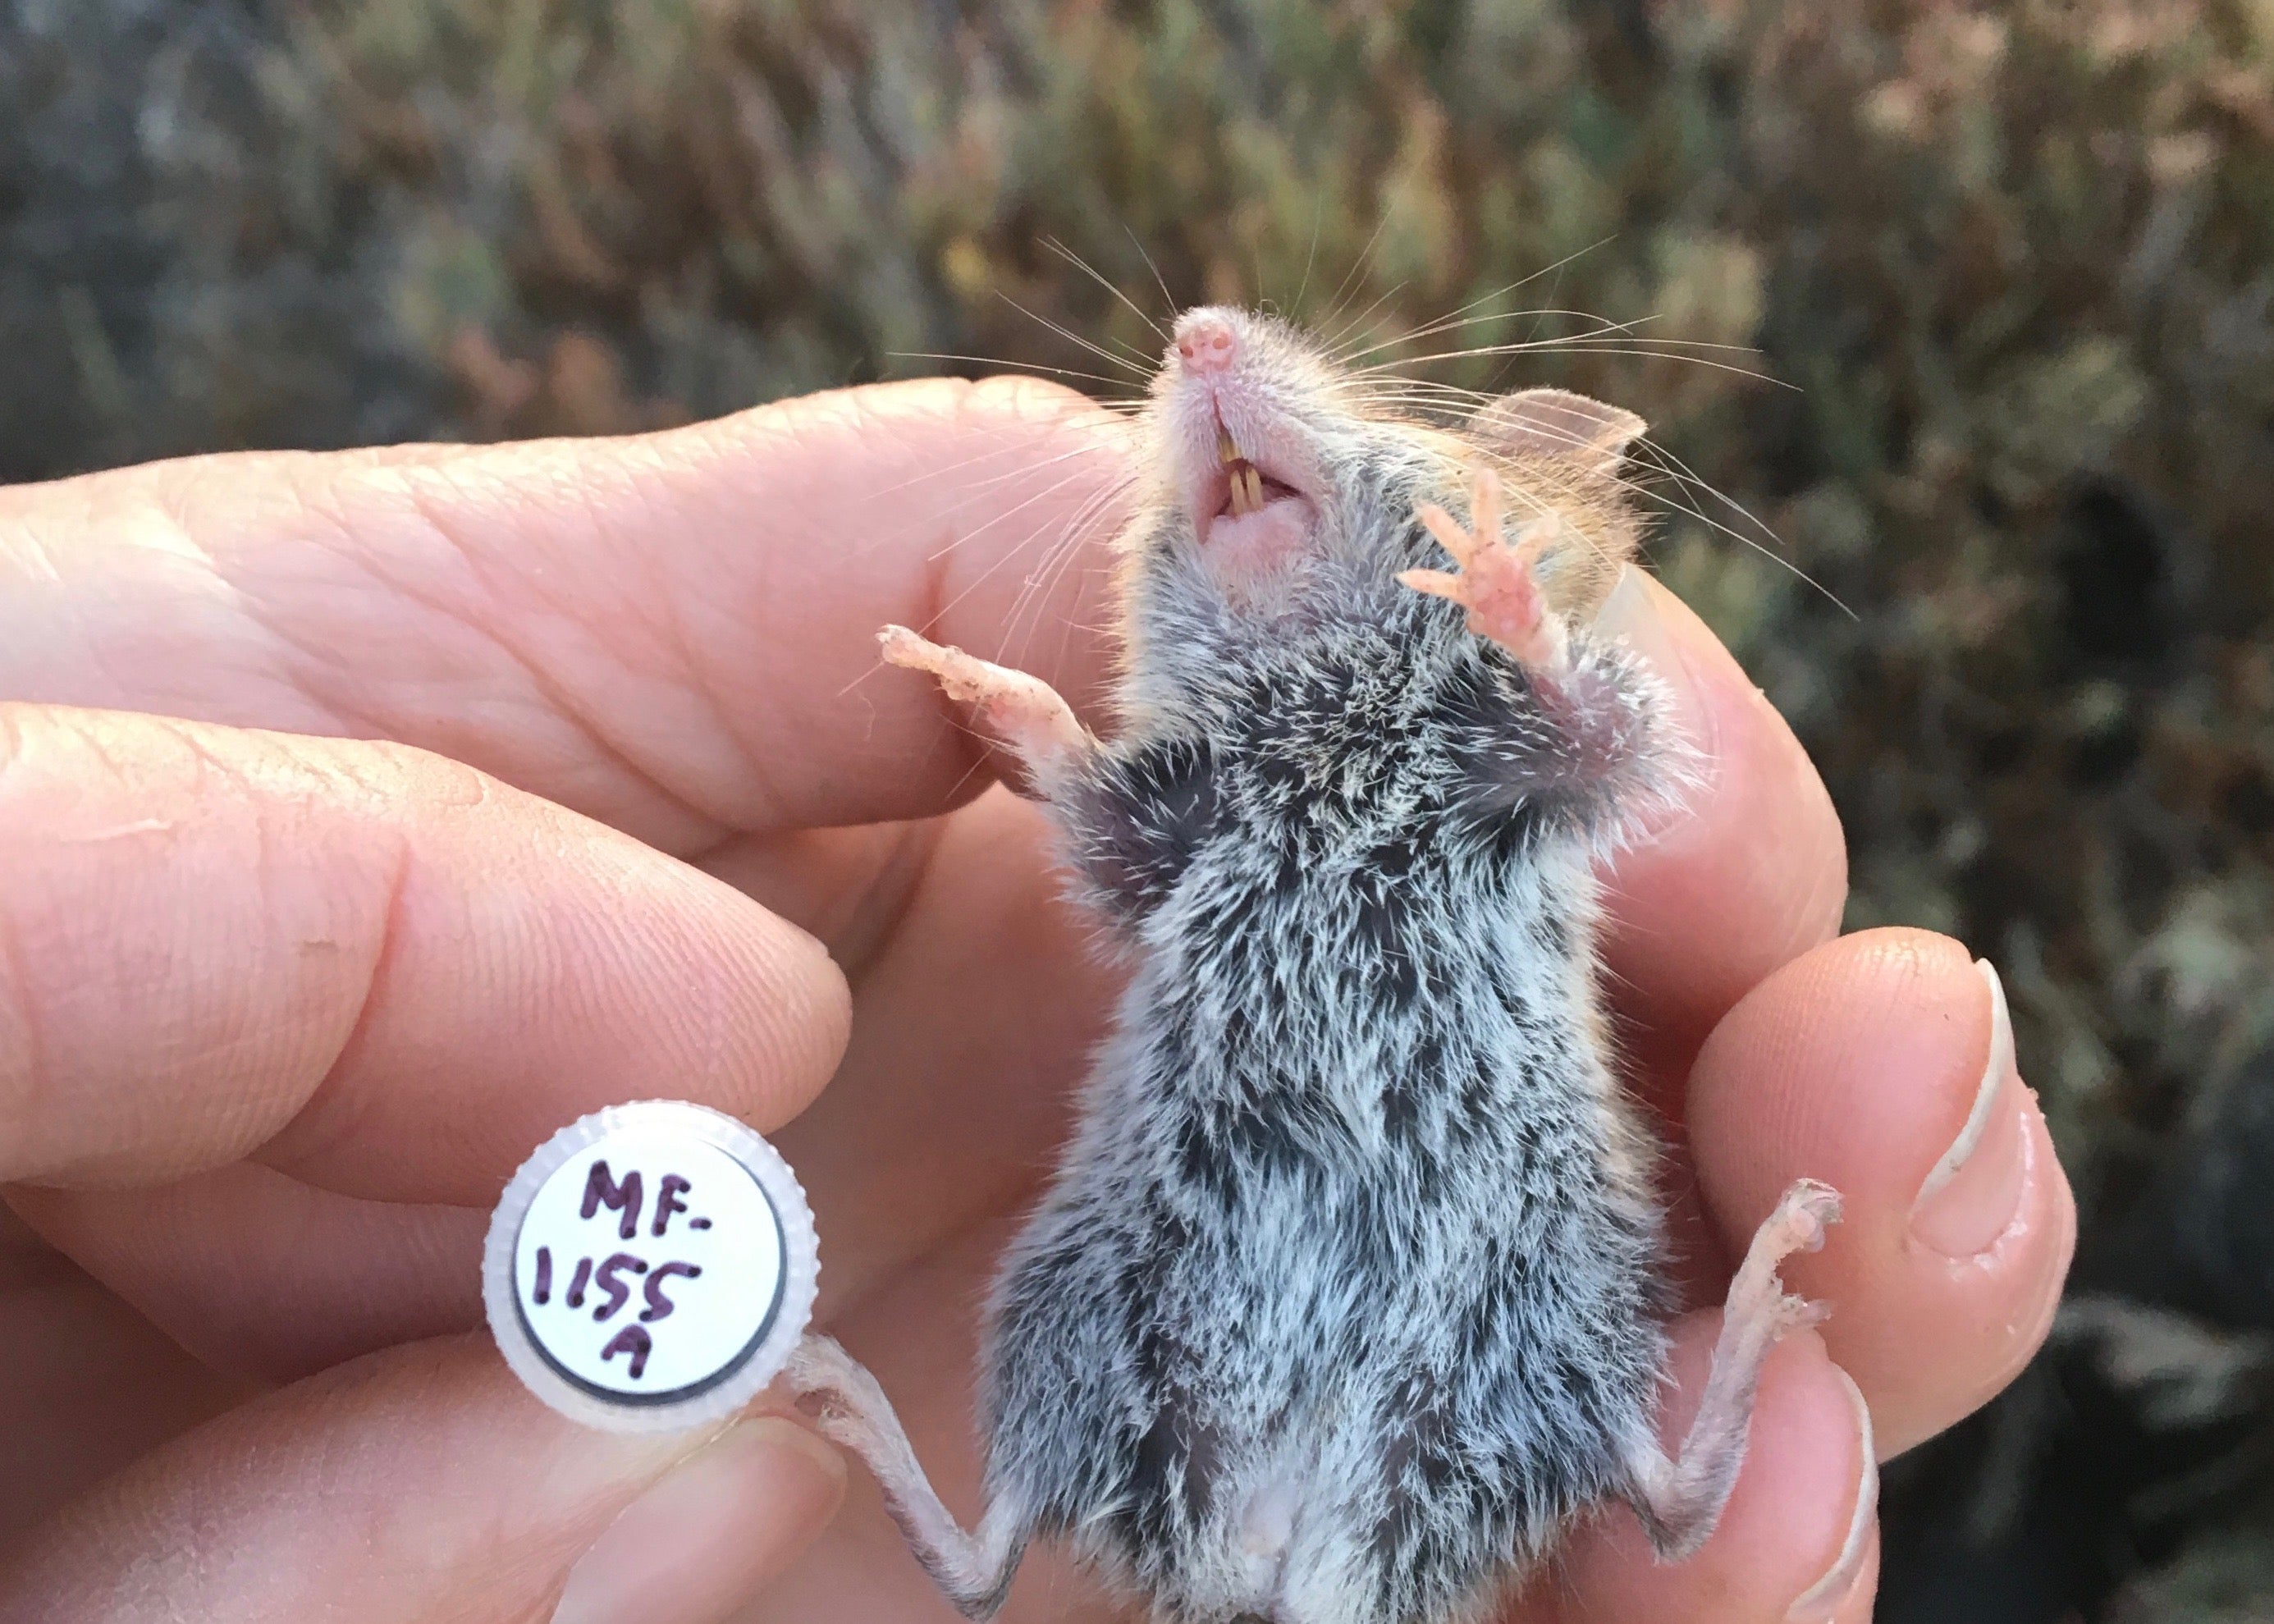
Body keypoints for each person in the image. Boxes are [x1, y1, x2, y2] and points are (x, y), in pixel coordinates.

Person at [0, 377, 2073, 1623]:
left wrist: (1532, 637)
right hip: (1227, 1304)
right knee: (1072, 1309)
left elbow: (1609, 757)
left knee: (1577, 1348)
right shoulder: (1202, 757)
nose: (1205, 385)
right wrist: (1041, 746)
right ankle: (972, 1529)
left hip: (1451, 1282)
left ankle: (1657, 1451)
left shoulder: (1481, 726)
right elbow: (1128, 855)